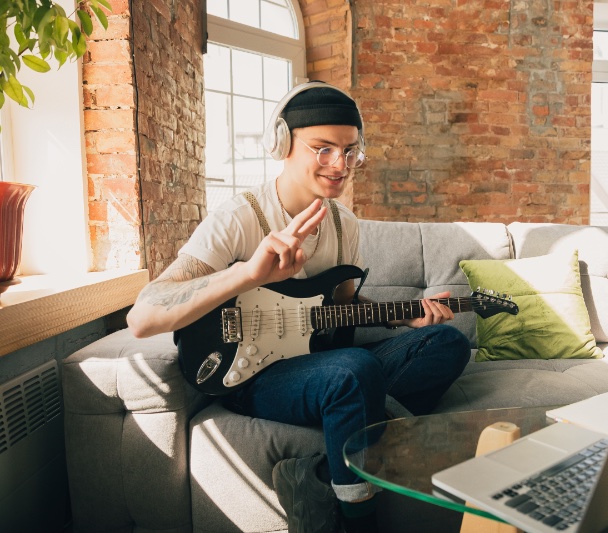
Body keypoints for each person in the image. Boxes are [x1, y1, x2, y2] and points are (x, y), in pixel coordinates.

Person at [126, 81, 471, 533]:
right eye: (323, 149)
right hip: (251, 374)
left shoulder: (345, 224)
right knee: (352, 371)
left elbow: (341, 306)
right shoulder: (239, 217)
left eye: (350, 152)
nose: (339, 165)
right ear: (283, 143)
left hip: (321, 364)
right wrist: (248, 274)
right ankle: (357, 521)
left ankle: (321, 474)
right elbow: (143, 316)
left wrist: (401, 316)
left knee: (447, 343)